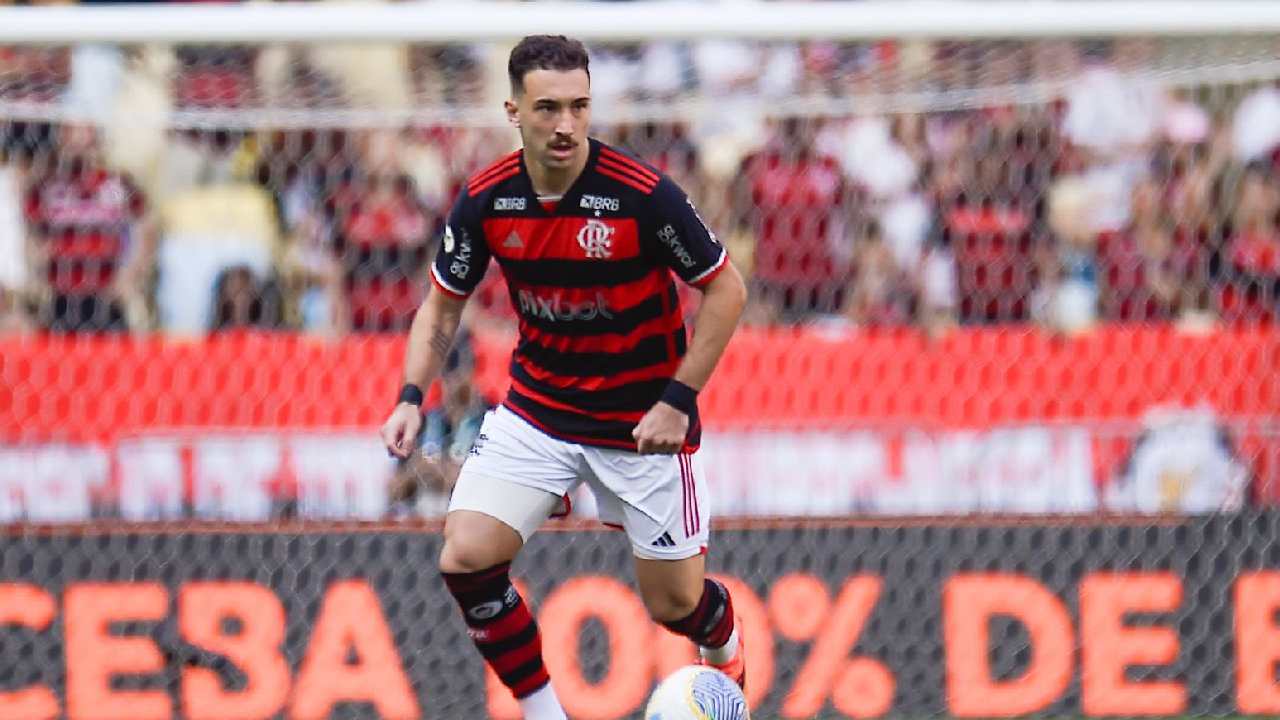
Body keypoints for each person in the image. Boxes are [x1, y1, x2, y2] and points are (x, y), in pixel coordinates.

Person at [379, 35, 749, 720]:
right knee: (465, 557)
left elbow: (726, 289)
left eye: (579, 106)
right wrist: (410, 397)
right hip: (539, 412)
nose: (566, 124)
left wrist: (676, 400)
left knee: (675, 606)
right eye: (548, 108)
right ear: (513, 110)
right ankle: (545, 713)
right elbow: (441, 304)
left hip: (640, 428)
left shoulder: (641, 195)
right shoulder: (489, 200)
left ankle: (725, 651)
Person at [387, 330, 492, 518]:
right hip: (426, 519)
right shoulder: (425, 421)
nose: (456, 382)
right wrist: (416, 471)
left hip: (475, 519)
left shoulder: (491, 419)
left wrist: (452, 475)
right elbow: (394, 489)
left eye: (463, 372)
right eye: (450, 373)